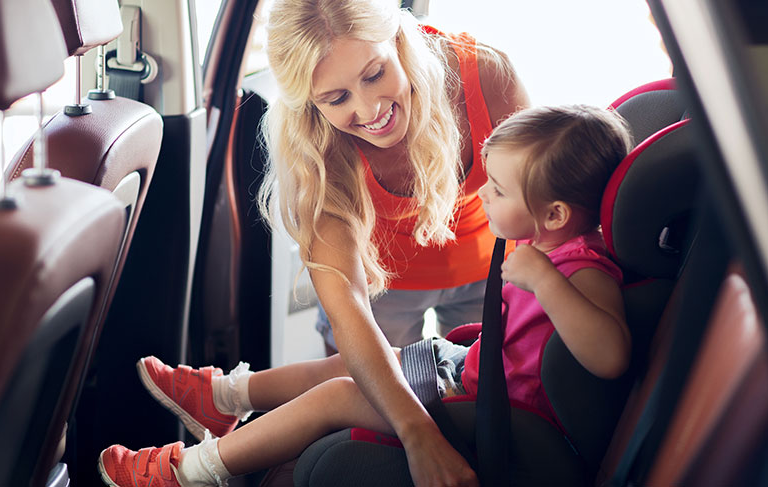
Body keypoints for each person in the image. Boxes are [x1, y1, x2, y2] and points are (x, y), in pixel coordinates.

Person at [97, 104, 635, 487]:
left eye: (496, 189)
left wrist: (543, 281)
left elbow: (609, 356)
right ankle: (223, 399)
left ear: (557, 214)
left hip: (498, 414)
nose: (481, 193)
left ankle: (187, 472)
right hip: (469, 372)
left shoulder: (582, 269)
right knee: (351, 364)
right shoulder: (545, 241)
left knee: (340, 394)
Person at [262, 0, 528, 353]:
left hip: (492, 265)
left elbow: (540, 194)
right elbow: (349, 316)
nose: (370, 109)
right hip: (379, 286)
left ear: (398, 41)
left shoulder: (485, 73)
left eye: (374, 75)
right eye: (337, 98)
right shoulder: (313, 141)